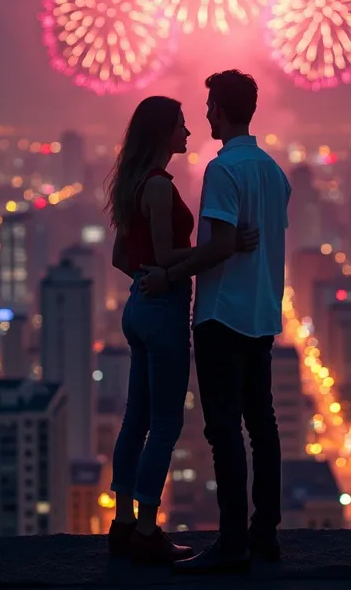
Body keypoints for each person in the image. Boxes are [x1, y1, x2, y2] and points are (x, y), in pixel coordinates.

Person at [141, 70, 291, 575]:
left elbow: (223, 246)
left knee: (224, 428)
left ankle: (232, 542)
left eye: (209, 106)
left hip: (221, 314)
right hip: (262, 312)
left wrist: (168, 274)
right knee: (262, 424)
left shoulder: (224, 171)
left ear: (222, 111)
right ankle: (264, 533)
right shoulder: (274, 172)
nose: (205, 115)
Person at [106, 95, 258, 566]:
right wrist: (222, 248)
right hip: (163, 311)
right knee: (166, 424)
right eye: (181, 126)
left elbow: (120, 257)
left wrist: (148, 275)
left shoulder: (132, 185)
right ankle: (149, 532)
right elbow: (167, 256)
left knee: (136, 419)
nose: (189, 134)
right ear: (161, 133)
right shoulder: (158, 187)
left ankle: (124, 522)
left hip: (137, 308)